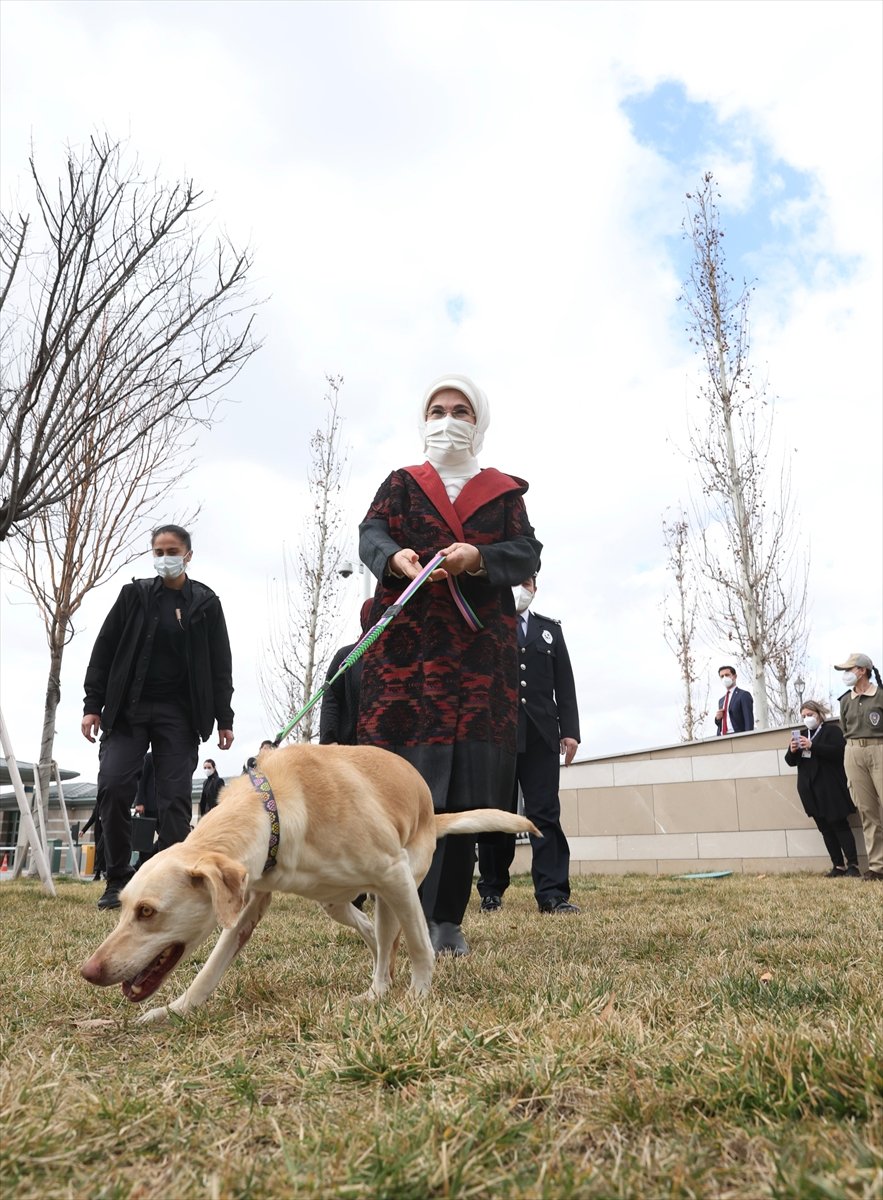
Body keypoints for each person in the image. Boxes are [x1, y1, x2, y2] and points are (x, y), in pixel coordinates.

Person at [357, 373, 542, 956]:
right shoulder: (401, 484)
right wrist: (396, 557)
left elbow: (526, 553)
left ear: (477, 421)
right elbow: (371, 534)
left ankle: (445, 920)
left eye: (460, 410)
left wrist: (477, 557)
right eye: (437, 409)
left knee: (462, 790)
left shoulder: (504, 492)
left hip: (477, 664)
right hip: (407, 663)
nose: (448, 419)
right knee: (401, 785)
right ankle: (395, 907)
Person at [81, 524, 235, 910]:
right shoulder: (133, 597)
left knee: (175, 801)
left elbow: (221, 665)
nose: (165, 556)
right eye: (159, 550)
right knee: (114, 787)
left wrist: (224, 717)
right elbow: (103, 651)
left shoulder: (205, 604)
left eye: (173, 550)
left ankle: (168, 878)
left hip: (179, 716)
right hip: (128, 711)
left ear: (188, 555)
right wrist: (91, 705)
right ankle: (116, 878)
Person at [477, 573, 581, 913]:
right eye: (515, 582)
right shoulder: (486, 627)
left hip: (541, 735)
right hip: (498, 736)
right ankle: (491, 889)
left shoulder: (550, 631)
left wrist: (570, 731)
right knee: (498, 816)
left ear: (535, 587)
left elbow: (564, 685)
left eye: (528, 582)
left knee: (544, 814)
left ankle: (552, 893)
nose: (522, 589)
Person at [784, 701, 860, 877]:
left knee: (839, 824)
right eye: (803, 716)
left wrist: (813, 746)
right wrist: (792, 749)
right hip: (809, 790)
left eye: (810, 714)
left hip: (830, 788)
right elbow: (790, 761)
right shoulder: (802, 734)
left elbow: (839, 752)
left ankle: (853, 865)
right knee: (825, 828)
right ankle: (838, 866)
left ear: (819, 714)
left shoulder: (831, 731)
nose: (807, 718)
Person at [835, 652, 883, 882]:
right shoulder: (845, 700)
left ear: (862, 670)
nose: (845, 675)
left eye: (849, 669)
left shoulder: (881, 695)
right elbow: (845, 729)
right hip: (853, 752)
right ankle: (877, 866)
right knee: (866, 811)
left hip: (880, 749)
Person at [319, 600, 374, 746]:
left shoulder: (401, 661)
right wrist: (329, 740)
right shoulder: (347, 656)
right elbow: (331, 698)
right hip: (349, 751)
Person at [714, 666, 754, 735]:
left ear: (734, 676)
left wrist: (748, 737)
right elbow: (722, 723)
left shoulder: (743, 695)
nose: (724, 678)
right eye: (722, 676)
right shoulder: (721, 700)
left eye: (727, 675)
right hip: (722, 737)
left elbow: (748, 720)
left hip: (738, 735)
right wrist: (717, 719)